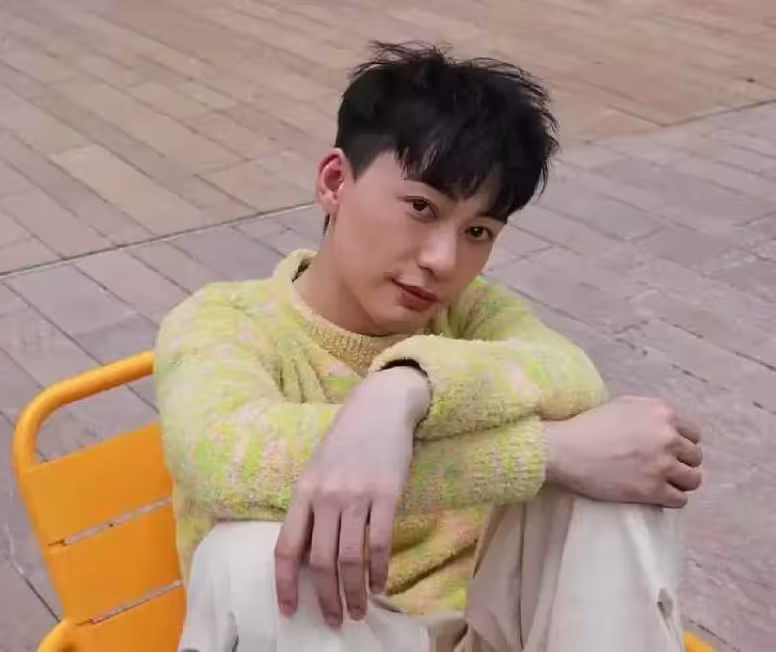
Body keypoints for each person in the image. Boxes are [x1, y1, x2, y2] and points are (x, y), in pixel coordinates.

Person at [154, 42, 704, 652]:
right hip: (337, 635)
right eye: (421, 207)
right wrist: (546, 453)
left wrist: (401, 389)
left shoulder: (464, 314)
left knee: (616, 489)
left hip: (489, 633)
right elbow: (222, 460)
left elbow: (569, 375)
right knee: (247, 556)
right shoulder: (224, 322)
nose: (444, 260)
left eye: (478, 231)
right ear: (335, 182)